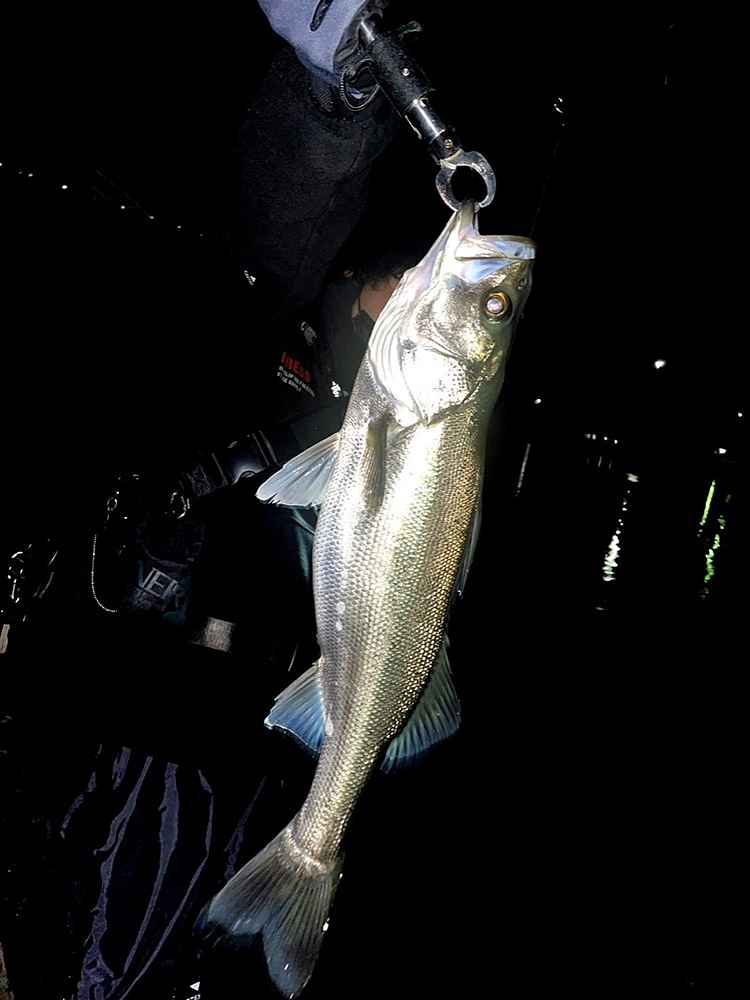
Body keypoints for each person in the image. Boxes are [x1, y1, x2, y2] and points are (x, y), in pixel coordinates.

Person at [0, 4, 430, 1000]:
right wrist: (333, 97)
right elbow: (282, 221)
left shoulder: (382, 401)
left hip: (259, 765)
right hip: (131, 746)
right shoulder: (248, 315)